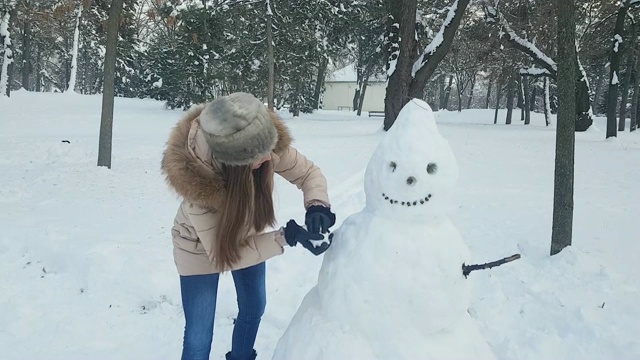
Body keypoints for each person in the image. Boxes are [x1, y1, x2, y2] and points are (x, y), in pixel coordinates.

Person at [161, 92, 336, 360]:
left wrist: (317, 206)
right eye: (257, 157)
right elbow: (228, 255)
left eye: (269, 151)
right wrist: (287, 238)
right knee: (199, 336)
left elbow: (307, 172)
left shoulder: (264, 146)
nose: (268, 159)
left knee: (254, 307)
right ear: (234, 163)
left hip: (246, 234)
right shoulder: (200, 186)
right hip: (197, 247)